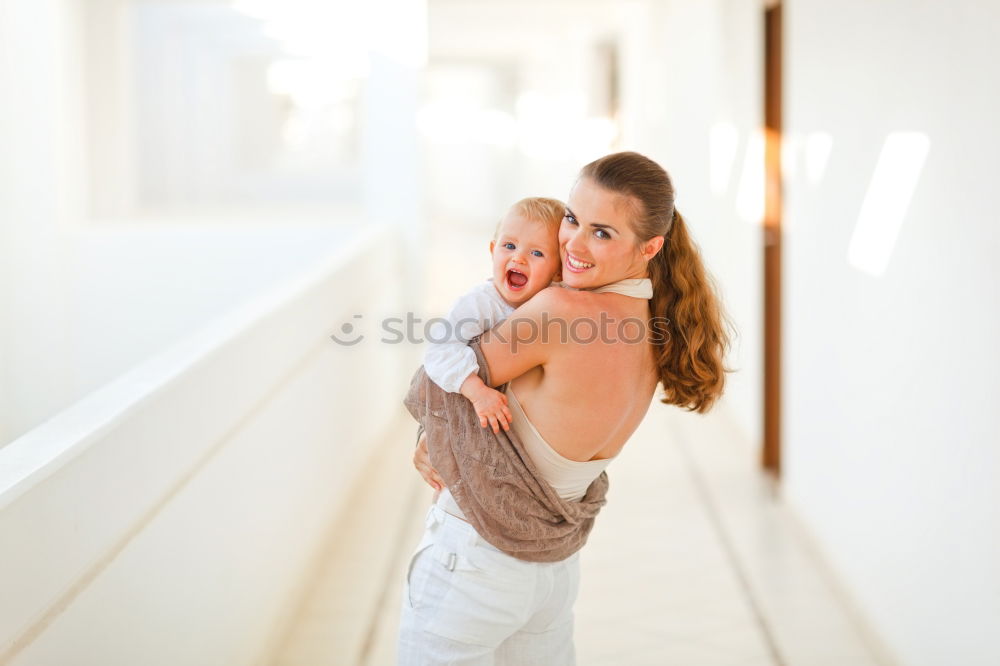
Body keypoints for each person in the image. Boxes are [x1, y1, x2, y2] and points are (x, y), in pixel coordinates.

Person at [399, 151, 732, 665]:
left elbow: (433, 385)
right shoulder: (658, 329)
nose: (573, 244)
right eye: (573, 219)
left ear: (650, 246)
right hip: (551, 574)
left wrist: (430, 441)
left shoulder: (559, 310)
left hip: (475, 563)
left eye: (602, 233)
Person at [423, 197, 564, 439]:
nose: (518, 258)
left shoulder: (552, 302)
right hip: (476, 414)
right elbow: (439, 350)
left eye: (537, 252)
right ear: (492, 250)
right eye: (509, 246)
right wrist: (476, 391)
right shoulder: (479, 303)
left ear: (558, 272)